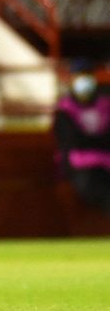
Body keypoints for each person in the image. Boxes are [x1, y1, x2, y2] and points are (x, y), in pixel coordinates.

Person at [54, 60, 110, 215]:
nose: (84, 82)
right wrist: (99, 140)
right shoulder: (64, 109)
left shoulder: (105, 105)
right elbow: (71, 140)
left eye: (87, 76)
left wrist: (94, 141)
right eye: (80, 77)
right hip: (81, 166)